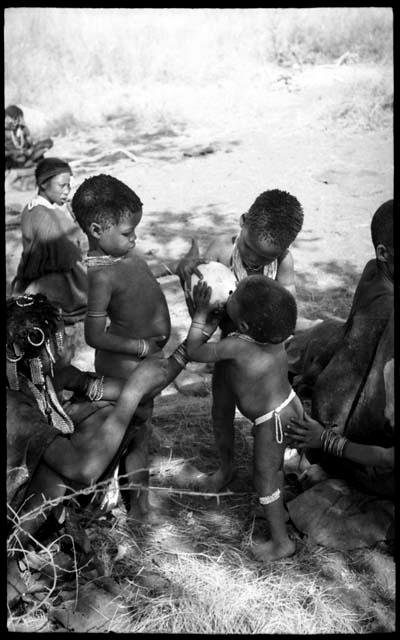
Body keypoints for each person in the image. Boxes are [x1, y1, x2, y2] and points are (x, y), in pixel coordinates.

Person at [7, 293, 188, 603]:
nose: (62, 347)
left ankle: (137, 507)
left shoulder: (50, 378)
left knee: (123, 409)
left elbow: (145, 393)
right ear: (30, 353)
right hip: (15, 511)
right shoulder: (16, 408)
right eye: (55, 342)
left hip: (43, 487)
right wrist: (132, 392)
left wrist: (192, 342)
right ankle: (17, 554)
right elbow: (83, 471)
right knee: (60, 469)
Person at [71, 173, 171, 519]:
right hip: (126, 365)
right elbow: (94, 336)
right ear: (97, 231)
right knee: (130, 432)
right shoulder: (101, 274)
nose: (135, 238)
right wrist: (140, 347)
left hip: (142, 362)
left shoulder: (120, 255)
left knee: (139, 430)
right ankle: (122, 502)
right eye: (128, 232)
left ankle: (137, 502)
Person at [186, 276, 305, 561]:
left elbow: (194, 351)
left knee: (265, 478)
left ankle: (281, 542)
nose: (230, 293)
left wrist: (201, 316)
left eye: (234, 294)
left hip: (272, 421)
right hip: (287, 407)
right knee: (273, 472)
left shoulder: (239, 346)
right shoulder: (273, 337)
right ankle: (282, 510)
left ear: (245, 327)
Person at [285, 199, 394, 497]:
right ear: (384, 253)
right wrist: (329, 442)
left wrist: (327, 441)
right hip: (345, 425)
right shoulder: (385, 304)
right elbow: (368, 403)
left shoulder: (376, 271)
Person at [11, 157, 87, 324]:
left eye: (68, 185)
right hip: (56, 281)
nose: (67, 190)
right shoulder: (45, 216)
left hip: (33, 278)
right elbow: (68, 257)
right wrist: (78, 226)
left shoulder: (32, 208)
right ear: (44, 184)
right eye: (62, 185)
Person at [5, 104, 53, 170]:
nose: (17, 121)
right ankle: (26, 164)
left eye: (19, 119)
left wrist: (31, 146)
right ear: (7, 117)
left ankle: (30, 162)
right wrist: (16, 152)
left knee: (48, 142)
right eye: (15, 118)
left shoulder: (21, 128)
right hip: (14, 159)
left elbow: (30, 143)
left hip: (26, 155)